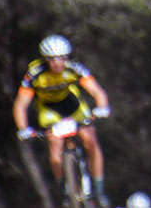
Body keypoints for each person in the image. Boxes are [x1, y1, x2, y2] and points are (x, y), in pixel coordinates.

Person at [13, 34, 112, 208]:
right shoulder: (35, 74)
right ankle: (65, 190)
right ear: (45, 59)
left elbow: (97, 91)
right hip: (49, 109)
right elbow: (21, 104)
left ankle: (98, 189)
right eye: (51, 59)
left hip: (72, 105)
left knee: (90, 138)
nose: (57, 63)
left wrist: (102, 107)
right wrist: (23, 128)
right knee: (55, 143)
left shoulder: (74, 69)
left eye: (61, 58)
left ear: (67, 58)